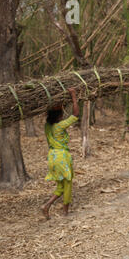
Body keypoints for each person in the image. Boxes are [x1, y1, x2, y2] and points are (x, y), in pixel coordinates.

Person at [41, 88, 79, 220]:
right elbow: (75, 115)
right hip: (62, 158)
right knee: (67, 184)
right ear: (58, 116)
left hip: (52, 157)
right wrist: (73, 95)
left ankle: (47, 206)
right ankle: (65, 212)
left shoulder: (47, 126)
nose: (63, 115)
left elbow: (49, 114)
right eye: (61, 114)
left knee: (60, 186)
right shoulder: (60, 126)